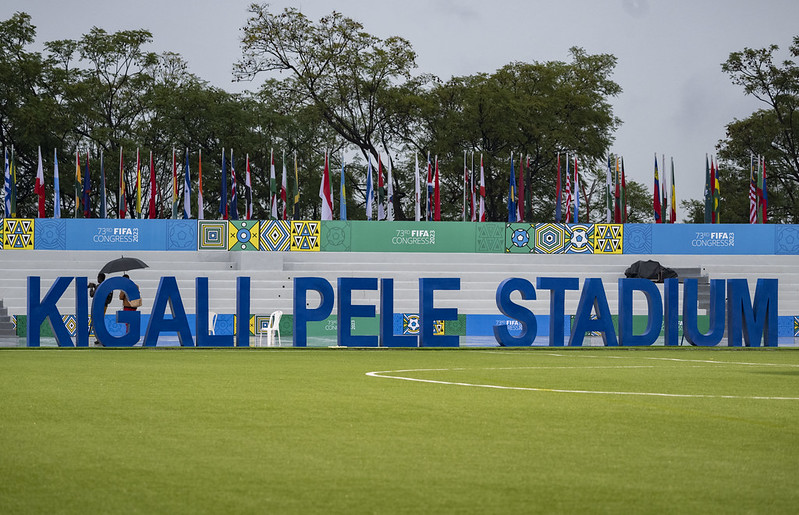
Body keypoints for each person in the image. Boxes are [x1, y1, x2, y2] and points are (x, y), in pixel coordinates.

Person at [88, 272, 113, 346]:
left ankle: (100, 338)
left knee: (98, 322)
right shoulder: (107, 286)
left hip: (99, 307)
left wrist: (91, 288)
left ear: (99, 278)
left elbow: (92, 295)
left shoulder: (99, 286)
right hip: (105, 306)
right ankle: (99, 338)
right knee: (100, 322)